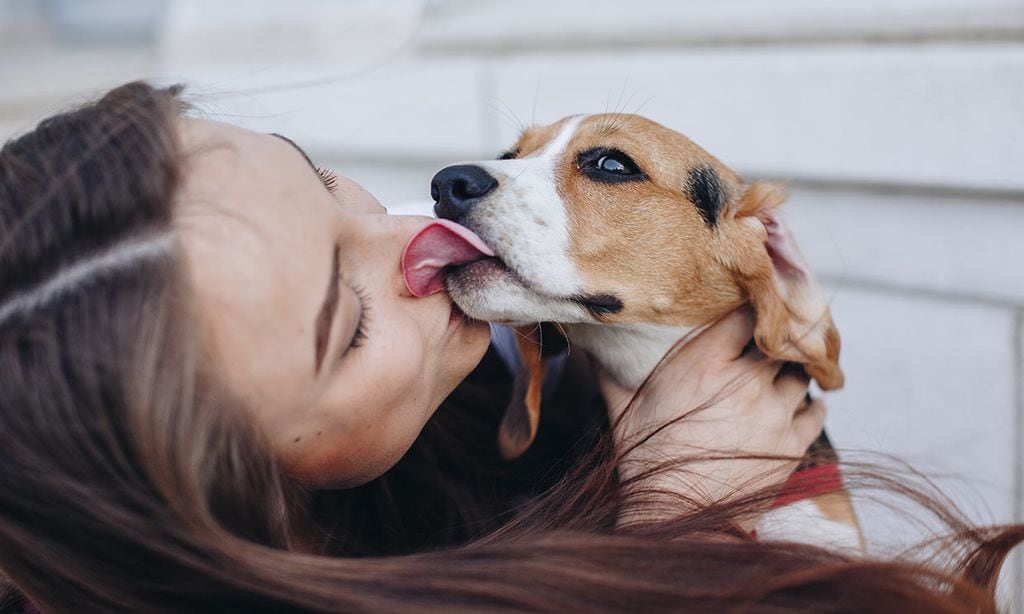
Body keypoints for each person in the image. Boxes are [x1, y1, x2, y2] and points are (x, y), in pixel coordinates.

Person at [0, 81, 1018, 613]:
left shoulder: (515, 376)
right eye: (346, 326)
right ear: (240, 512)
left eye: (320, 178)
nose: (413, 228)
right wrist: (676, 519)